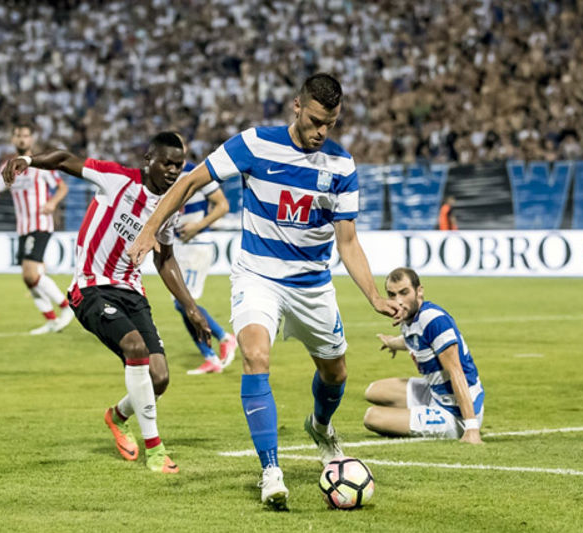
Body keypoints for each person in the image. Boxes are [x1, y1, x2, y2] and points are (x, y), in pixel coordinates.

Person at [127, 73, 402, 508]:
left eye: (330, 124)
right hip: (258, 276)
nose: (321, 132)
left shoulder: (341, 166)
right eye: (314, 121)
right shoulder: (254, 144)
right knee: (255, 356)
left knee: (336, 374)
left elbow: (348, 241)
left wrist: (374, 296)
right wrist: (149, 230)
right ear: (297, 106)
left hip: (312, 285)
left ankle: (321, 427)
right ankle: (271, 471)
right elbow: (190, 182)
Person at [1, 131, 212, 474]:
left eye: (179, 165)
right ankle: (155, 451)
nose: (174, 171)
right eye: (167, 164)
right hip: (91, 287)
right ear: (149, 160)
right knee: (135, 347)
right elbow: (64, 160)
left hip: (132, 291)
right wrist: (28, 160)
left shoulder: (168, 207)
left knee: (159, 378)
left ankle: (117, 416)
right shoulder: (117, 179)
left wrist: (191, 306)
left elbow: (165, 258)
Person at [364, 267, 484, 443]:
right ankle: (422, 413)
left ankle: (457, 425)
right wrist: (392, 343)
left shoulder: (434, 321)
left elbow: (456, 371)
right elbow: (416, 339)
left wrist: (471, 427)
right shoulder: (410, 316)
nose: (398, 301)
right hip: (435, 393)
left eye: (404, 292)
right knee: (374, 391)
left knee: (373, 417)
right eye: (392, 295)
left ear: (419, 291)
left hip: (456, 410)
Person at [0, 123, 74, 335]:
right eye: (18, 135)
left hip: (40, 224)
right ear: (13, 139)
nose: (22, 139)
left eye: (26, 135)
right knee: (29, 277)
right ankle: (51, 320)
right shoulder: (7, 168)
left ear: (32, 139)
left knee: (31, 274)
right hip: (23, 227)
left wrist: (52, 203)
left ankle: (66, 307)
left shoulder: (41, 164)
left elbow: (62, 187)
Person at [172, 160, 238, 375]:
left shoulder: (196, 172)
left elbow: (223, 205)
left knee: (184, 303)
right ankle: (211, 358)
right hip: (180, 245)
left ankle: (224, 338)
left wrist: (198, 226)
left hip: (197, 244)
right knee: (182, 303)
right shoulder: (166, 174)